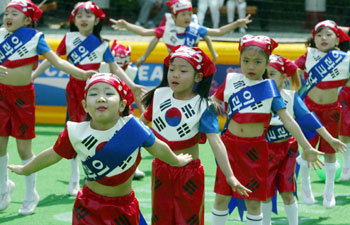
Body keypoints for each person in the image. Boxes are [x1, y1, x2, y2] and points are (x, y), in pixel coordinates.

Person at [8, 73, 193, 224]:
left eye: (109, 93)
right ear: (85, 106)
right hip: (88, 205)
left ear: (122, 105)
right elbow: (52, 155)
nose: (101, 98)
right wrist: (26, 168)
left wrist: (176, 160)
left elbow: (158, 148)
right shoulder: (75, 132)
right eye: (94, 94)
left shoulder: (132, 127)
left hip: (124, 206)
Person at [31, 1, 144, 197]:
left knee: (101, 132)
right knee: (74, 132)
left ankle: (104, 172)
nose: (84, 19)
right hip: (75, 92)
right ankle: (74, 181)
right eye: (79, 16)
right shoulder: (68, 38)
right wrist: (32, 77)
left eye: (88, 15)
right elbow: (52, 60)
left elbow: (115, 68)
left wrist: (132, 86)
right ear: (73, 19)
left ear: (97, 20)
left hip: (96, 91)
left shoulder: (102, 44)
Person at [210, 35, 323, 225]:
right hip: (229, 147)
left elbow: (288, 120)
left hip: (256, 150)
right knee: (221, 197)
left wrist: (307, 147)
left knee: (253, 203)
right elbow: (214, 100)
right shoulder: (231, 80)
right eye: (245, 61)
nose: (251, 66)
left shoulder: (270, 89)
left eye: (257, 62)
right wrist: (209, 105)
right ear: (239, 61)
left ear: (267, 63)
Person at [0, 0, 95, 215]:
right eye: (7, 12)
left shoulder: (35, 38)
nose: (8, 16)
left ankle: (30, 194)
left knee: (23, 149)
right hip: (0, 96)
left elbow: (58, 62)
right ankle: (3, 189)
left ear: (27, 20)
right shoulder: (0, 34)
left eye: (14, 13)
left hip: (23, 98)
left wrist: (82, 74)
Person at [140, 45, 251, 224]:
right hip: (160, 168)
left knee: (188, 219)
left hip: (188, 173)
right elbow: (139, 126)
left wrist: (230, 176)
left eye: (183, 70)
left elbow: (217, 143)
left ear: (198, 77)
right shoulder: (160, 95)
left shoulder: (204, 106)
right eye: (172, 69)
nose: (175, 74)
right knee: (160, 218)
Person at [262, 54, 347, 225]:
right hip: (263, 151)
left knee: (287, 192)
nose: (267, 78)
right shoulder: (254, 95)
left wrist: (330, 139)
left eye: (272, 74)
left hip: (287, 151)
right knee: (265, 193)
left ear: (283, 77)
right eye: (264, 74)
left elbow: (310, 120)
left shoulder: (292, 97)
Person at [294, 20, 350, 208]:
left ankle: (329, 192)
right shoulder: (308, 55)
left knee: (330, 152)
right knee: (307, 149)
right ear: (313, 39)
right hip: (308, 110)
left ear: (337, 40)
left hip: (333, 111)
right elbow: (291, 70)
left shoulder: (345, 58)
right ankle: (305, 187)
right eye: (319, 35)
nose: (323, 38)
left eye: (328, 34)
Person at [110, 0, 251, 65]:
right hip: (172, 67)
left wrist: (237, 24)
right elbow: (144, 32)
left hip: (193, 67)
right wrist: (127, 25)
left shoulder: (195, 28)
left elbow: (218, 32)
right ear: (174, 17)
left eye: (189, 14)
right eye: (183, 15)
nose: (187, 18)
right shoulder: (167, 29)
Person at [99, 40, 146, 179]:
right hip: (105, 108)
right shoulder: (101, 68)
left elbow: (136, 93)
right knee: (103, 138)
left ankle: (133, 167)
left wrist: (144, 112)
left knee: (132, 137)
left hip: (125, 109)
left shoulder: (132, 71)